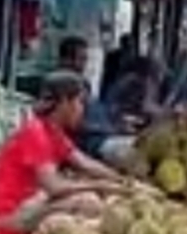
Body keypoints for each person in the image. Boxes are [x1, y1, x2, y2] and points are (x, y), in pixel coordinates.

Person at [0, 70, 130, 234]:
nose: (82, 110)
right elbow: (54, 186)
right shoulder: (35, 133)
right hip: (11, 214)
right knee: (85, 202)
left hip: (29, 204)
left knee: (86, 194)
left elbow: (84, 163)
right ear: (64, 102)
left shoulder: (52, 131)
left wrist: (121, 180)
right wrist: (99, 185)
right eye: (79, 102)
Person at [59, 35, 138, 164]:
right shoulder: (62, 86)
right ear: (65, 60)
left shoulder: (83, 83)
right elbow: (76, 125)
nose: (83, 65)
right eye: (80, 59)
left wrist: (117, 122)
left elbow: (95, 113)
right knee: (137, 154)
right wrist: (113, 128)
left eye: (85, 59)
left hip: (105, 137)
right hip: (92, 144)